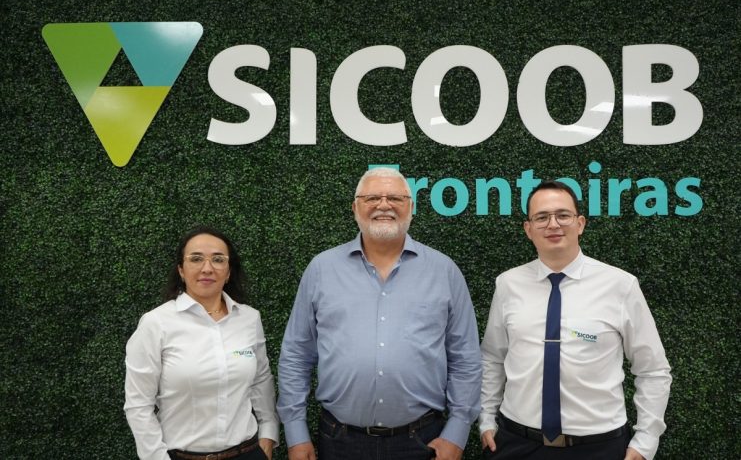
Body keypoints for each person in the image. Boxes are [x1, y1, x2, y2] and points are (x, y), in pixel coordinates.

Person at [278, 167, 482, 460]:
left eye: (395, 198)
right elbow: (296, 355)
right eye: (372, 197)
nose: (384, 205)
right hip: (339, 441)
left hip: (422, 441)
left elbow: (465, 357)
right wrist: (296, 434)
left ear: (411, 207)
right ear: (355, 208)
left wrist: (457, 432)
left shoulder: (444, 271)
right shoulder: (322, 269)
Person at [479, 181, 672, 460]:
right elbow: (492, 358)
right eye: (542, 217)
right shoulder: (508, 284)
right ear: (528, 229)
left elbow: (652, 369)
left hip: (599, 447)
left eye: (563, 215)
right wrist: (486, 418)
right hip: (517, 443)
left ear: (580, 223)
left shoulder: (620, 285)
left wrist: (646, 440)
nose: (553, 224)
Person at [124, 226, 279, 460]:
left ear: (228, 272)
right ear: (181, 270)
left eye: (218, 259)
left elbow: (261, 379)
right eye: (196, 259)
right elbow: (138, 404)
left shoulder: (249, 318)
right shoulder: (156, 323)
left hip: (247, 453)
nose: (207, 268)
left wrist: (268, 432)